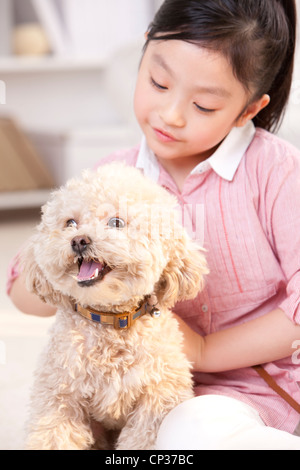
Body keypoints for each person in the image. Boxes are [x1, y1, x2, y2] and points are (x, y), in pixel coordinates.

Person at [7, 0, 300, 449]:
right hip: (130, 386)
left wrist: (205, 351)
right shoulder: (109, 176)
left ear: (247, 110)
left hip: (255, 385)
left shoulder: (277, 172)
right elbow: (26, 289)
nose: (171, 115)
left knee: (189, 434)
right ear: (143, 54)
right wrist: (57, 265)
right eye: (158, 83)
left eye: (203, 105)